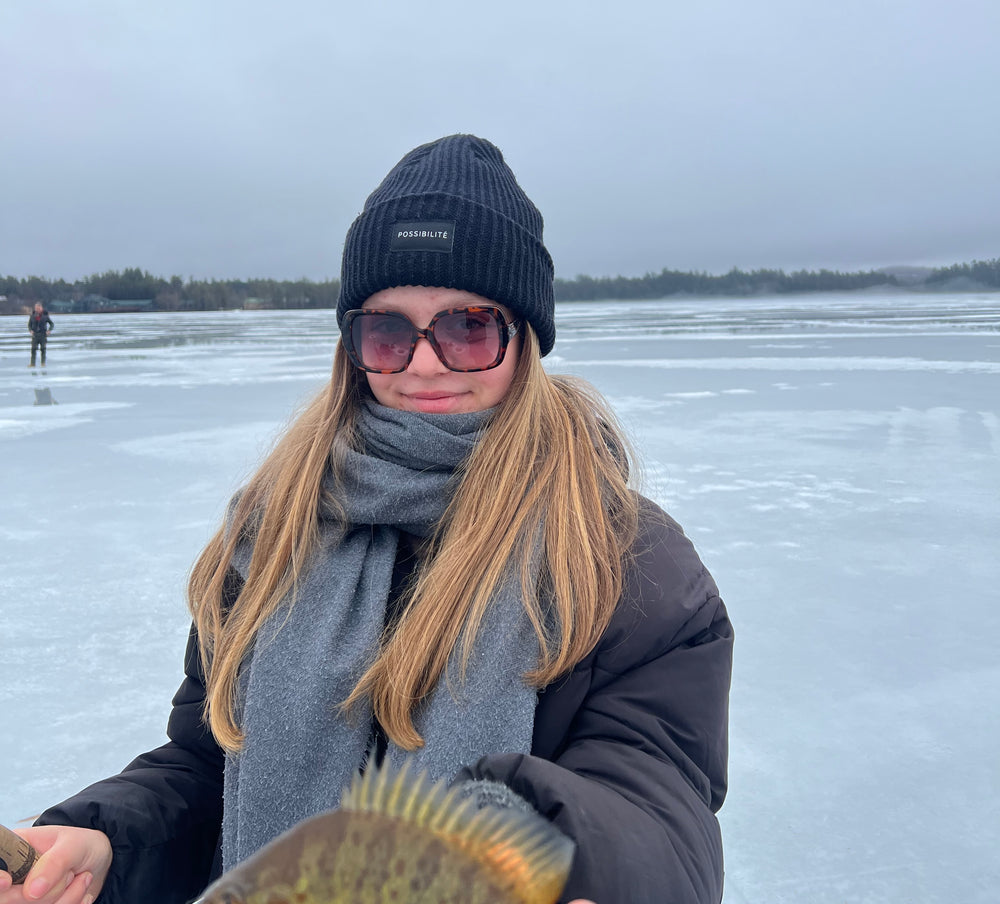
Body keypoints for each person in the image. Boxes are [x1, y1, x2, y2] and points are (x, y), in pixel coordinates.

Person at [0, 135, 733, 904]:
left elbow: (659, 812)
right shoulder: (272, 533)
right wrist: (106, 839)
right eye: (388, 330)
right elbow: (209, 769)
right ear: (353, 346)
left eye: (468, 327)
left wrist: (556, 860)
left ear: (523, 341)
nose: (423, 364)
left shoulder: (630, 563)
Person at [27, 302, 54, 368]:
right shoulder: (32, 316)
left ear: (41, 308)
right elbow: (29, 325)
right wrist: (30, 330)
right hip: (35, 335)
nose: (37, 309)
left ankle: (43, 363)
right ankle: (32, 364)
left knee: (43, 349)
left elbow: (52, 324)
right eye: (36, 308)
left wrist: (49, 330)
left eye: (39, 308)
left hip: (43, 335)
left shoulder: (45, 316)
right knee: (33, 349)